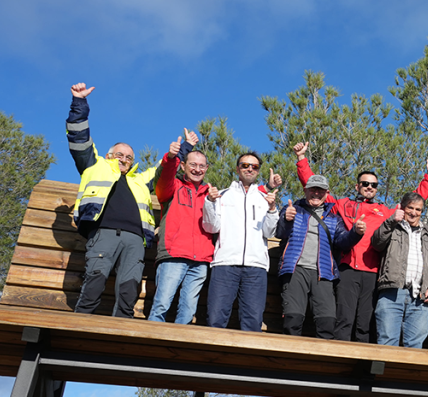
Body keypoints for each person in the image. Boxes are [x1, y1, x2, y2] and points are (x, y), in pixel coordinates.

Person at [291, 142, 428, 342]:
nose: (369, 187)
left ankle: (361, 370)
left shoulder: (386, 211)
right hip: (348, 269)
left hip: (373, 272)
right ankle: (340, 363)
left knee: (365, 323)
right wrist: (301, 159)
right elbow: (315, 190)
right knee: (344, 319)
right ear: (357, 186)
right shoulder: (342, 204)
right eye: (365, 184)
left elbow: (415, 203)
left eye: (374, 185)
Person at [66, 82, 164, 318]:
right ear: (109, 155)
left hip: (135, 240)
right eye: (120, 154)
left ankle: (122, 334)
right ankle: (79, 328)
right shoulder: (94, 165)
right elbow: (79, 138)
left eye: (129, 157)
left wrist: (182, 150)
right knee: (94, 281)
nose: (125, 159)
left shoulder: (139, 180)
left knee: (129, 287)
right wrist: (79, 103)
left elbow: (163, 169)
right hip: (104, 233)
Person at [274, 174, 362, 339]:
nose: (316, 193)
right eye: (312, 189)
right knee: (293, 320)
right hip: (295, 269)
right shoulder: (292, 210)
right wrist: (286, 220)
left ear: (327, 193)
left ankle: (325, 363)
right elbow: (280, 233)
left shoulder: (333, 218)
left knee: (327, 321)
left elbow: (343, 242)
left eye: (320, 190)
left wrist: (355, 233)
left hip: (323, 273)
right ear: (305, 190)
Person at [202, 153, 282, 332]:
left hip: (256, 268)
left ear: (258, 171)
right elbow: (210, 227)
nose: (249, 169)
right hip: (225, 264)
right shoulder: (222, 196)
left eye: (254, 167)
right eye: (245, 165)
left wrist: (272, 210)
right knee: (215, 319)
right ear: (237, 168)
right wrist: (209, 202)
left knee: (253, 322)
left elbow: (270, 232)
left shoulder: (264, 199)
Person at [149, 129, 213, 324]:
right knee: (161, 305)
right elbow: (163, 176)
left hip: (201, 260)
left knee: (188, 310)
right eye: (193, 164)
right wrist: (170, 157)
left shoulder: (211, 193)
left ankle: (176, 352)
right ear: (183, 166)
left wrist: (268, 188)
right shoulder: (172, 187)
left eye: (201, 166)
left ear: (207, 168)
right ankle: (148, 346)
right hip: (173, 254)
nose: (197, 169)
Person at [371, 193, 428, 348]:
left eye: (418, 209)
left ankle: (409, 373)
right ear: (402, 207)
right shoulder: (392, 226)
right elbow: (376, 243)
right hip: (392, 292)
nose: (414, 212)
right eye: (410, 208)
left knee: (415, 346)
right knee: (387, 342)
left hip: (420, 297)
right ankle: (384, 373)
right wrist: (391, 221)